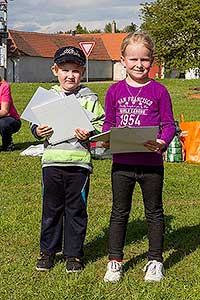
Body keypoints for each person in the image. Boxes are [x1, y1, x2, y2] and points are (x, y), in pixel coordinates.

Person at [102, 32, 176, 283]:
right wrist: (105, 137)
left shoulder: (159, 91)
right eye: (133, 59)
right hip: (122, 164)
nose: (139, 64)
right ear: (122, 60)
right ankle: (115, 261)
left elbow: (169, 124)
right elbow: (109, 123)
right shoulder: (114, 91)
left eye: (144, 59)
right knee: (119, 212)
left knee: (154, 212)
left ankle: (155, 261)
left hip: (151, 164)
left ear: (152, 60)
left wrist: (162, 141)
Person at [31, 46, 104, 272]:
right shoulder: (47, 97)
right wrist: (37, 131)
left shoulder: (90, 98)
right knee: (51, 209)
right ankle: (48, 252)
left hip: (79, 165)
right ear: (55, 70)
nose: (69, 75)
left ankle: (74, 254)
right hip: (52, 163)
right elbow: (34, 124)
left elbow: (101, 124)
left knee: (76, 210)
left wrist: (90, 133)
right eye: (64, 69)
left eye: (75, 70)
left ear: (82, 72)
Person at [0, 77, 21, 151]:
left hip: (10, 119)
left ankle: (7, 145)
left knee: (3, 124)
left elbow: (4, 111)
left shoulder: (4, 86)